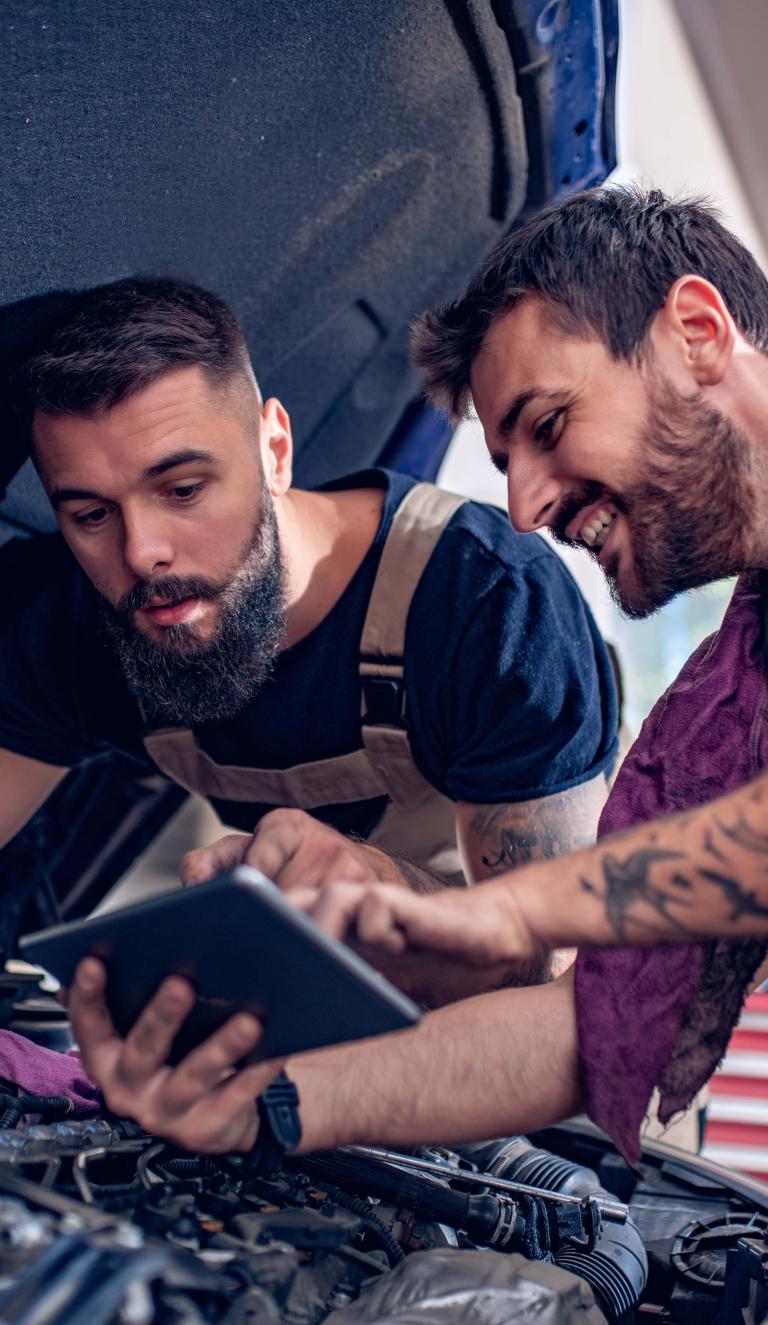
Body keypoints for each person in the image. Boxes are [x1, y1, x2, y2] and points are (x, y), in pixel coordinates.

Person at [66, 185, 768, 1167]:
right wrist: (276, 1099)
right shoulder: (725, 720)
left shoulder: (487, 597)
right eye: (504, 457)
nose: (523, 509)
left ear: (697, 332)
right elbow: (603, 1020)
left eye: (551, 422)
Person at [0, 275, 616, 1006]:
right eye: (92, 515)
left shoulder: (489, 604)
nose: (142, 553)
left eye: (184, 489)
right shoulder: (74, 624)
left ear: (274, 449)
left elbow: (546, 969)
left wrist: (376, 884)